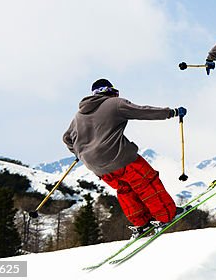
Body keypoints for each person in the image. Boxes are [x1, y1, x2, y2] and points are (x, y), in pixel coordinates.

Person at [62, 79, 186, 238]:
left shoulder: (78, 116)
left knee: (124, 189)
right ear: (109, 90)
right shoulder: (114, 104)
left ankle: (142, 222)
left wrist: (79, 153)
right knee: (146, 182)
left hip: (96, 166)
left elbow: (66, 138)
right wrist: (172, 112)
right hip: (119, 157)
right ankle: (167, 215)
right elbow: (142, 111)